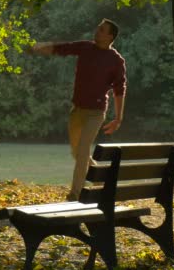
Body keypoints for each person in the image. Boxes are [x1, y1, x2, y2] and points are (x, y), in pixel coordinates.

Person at [27, 19, 126, 201]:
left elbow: (119, 90)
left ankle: (75, 194)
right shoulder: (85, 48)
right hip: (77, 111)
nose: (97, 31)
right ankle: (101, 179)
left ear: (110, 36)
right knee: (78, 153)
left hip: (96, 113)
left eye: (102, 30)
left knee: (82, 152)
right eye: (97, 28)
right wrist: (39, 47)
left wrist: (118, 118)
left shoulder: (116, 61)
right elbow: (63, 48)